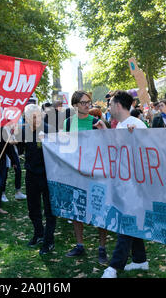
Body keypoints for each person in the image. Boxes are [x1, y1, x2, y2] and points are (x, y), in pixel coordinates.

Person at [101, 90, 149, 278]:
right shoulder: (122, 125)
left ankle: (114, 266)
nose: (109, 107)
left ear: (118, 105)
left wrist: (135, 139)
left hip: (136, 184)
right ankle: (140, 260)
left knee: (125, 223)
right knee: (132, 220)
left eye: (111, 104)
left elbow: (148, 151)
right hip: (124, 182)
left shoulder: (135, 125)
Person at [63, 90, 109, 265]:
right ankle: (80, 244)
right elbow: (64, 147)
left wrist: (104, 131)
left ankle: (102, 248)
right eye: (83, 102)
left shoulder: (96, 122)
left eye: (88, 102)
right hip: (76, 173)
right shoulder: (68, 123)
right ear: (75, 106)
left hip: (95, 174)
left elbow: (109, 145)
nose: (87, 105)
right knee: (77, 211)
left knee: (99, 211)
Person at [20, 104, 56, 255]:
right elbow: (21, 150)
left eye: (37, 116)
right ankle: (39, 233)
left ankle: (49, 241)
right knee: (33, 207)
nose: (35, 120)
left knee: (49, 209)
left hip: (47, 174)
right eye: (31, 118)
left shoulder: (49, 129)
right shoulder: (24, 130)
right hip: (31, 174)